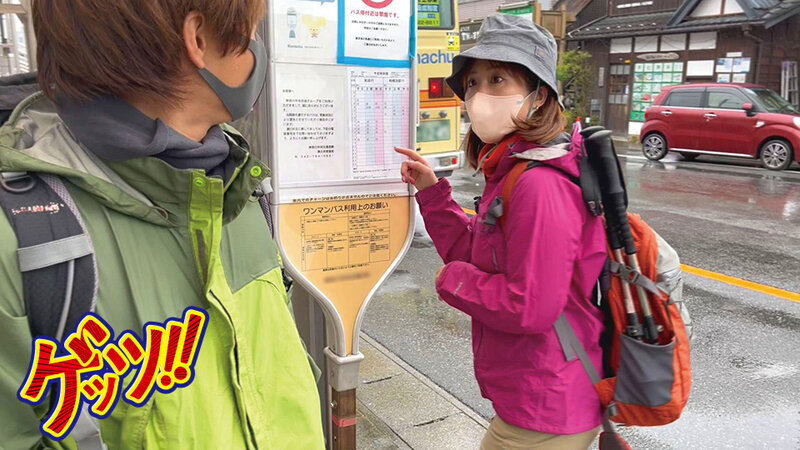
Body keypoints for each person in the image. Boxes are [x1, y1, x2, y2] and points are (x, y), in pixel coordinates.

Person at [0, 1, 324, 448]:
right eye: (250, 32)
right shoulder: (19, 235)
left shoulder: (238, 182)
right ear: (198, 40)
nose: (256, 51)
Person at [396, 14, 607, 449]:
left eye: (497, 80)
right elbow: (474, 252)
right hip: (537, 396)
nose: (479, 95)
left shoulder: (539, 183)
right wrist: (432, 193)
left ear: (538, 96)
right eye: (473, 83)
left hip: (548, 407)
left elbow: (530, 305)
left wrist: (452, 281)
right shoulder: (513, 169)